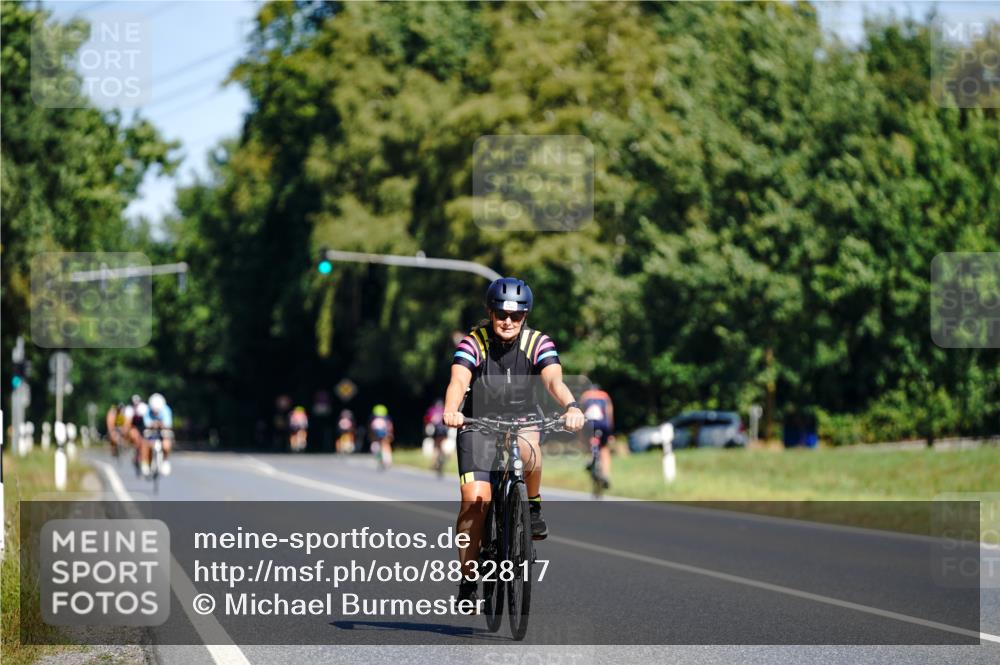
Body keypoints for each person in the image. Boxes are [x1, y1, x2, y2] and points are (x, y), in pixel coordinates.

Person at [442, 277, 585, 608]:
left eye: (516, 316)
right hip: (477, 423)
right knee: (475, 500)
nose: (508, 321)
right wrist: (452, 409)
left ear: (525, 316)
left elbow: (553, 380)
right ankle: (467, 575)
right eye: (502, 314)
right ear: (491, 313)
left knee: (528, 449)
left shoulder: (538, 343)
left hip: (522, 420)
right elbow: (458, 380)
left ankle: (531, 503)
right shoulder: (473, 343)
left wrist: (571, 406)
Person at [580, 383, 615, 489]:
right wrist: (610, 432)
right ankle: (606, 475)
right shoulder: (605, 396)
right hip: (603, 425)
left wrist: (580, 434)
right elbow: (609, 414)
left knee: (587, 441)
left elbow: (580, 413)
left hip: (589, 424)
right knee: (604, 448)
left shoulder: (585, 395)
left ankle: (590, 459)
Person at [143, 393, 174, 476]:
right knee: (146, 444)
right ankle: (146, 463)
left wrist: (160, 424)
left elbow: (168, 425)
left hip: (163, 430)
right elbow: (147, 424)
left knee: (166, 444)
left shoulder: (166, 410)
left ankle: (165, 461)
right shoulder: (147, 410)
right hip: (151, 431)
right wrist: (153, 424)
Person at [424, 399, 448, 474]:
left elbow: (427, 419)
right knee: (442, 445)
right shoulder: (445, 409)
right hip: (444, 430)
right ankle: (443, 456)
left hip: (436, 430)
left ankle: (434, 463)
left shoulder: (432, 410)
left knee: (436, 446)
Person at [368, 404, 394, 469]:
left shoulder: (373, 419)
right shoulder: (386, 418)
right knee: (385, 446)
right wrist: (390, 433)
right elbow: (390, 426)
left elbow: (370, 428)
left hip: (377, 435)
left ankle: (382, 459)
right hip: (383, 434)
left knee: (378, 445)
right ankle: (386, 459)